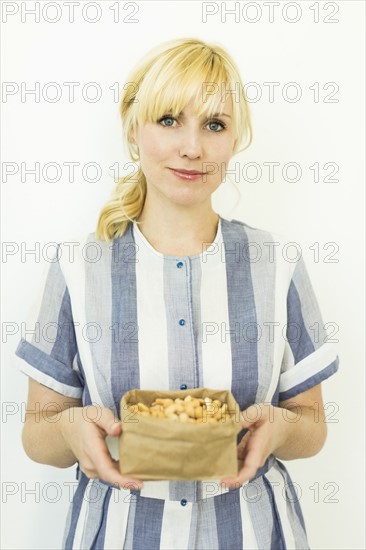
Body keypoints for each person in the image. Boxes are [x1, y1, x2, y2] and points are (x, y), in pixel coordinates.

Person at [15, 37, 339, 549]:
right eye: (169, 120)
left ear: (235, 139)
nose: (193, 147)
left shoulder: (278, 263)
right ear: (132, 126)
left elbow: (313, 427)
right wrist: (70, 429)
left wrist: (279, 428)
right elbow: (37, 435)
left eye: (214, 125)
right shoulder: (77, 266)